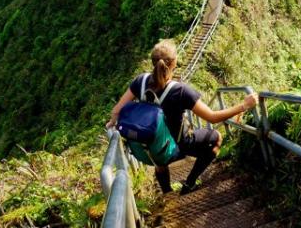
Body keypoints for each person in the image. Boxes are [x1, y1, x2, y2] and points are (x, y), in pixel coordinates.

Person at [106, 39, 259, 194]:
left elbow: (117, 110)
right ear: (174, 63)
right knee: (216, 138)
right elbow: (212, 117)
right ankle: (190, 183)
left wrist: (112, 123)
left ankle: (167, 193)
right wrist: (243, 106)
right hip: (179, 146)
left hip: (150, 148)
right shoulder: (181, 91)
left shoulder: (141, 81)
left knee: (159, 156)